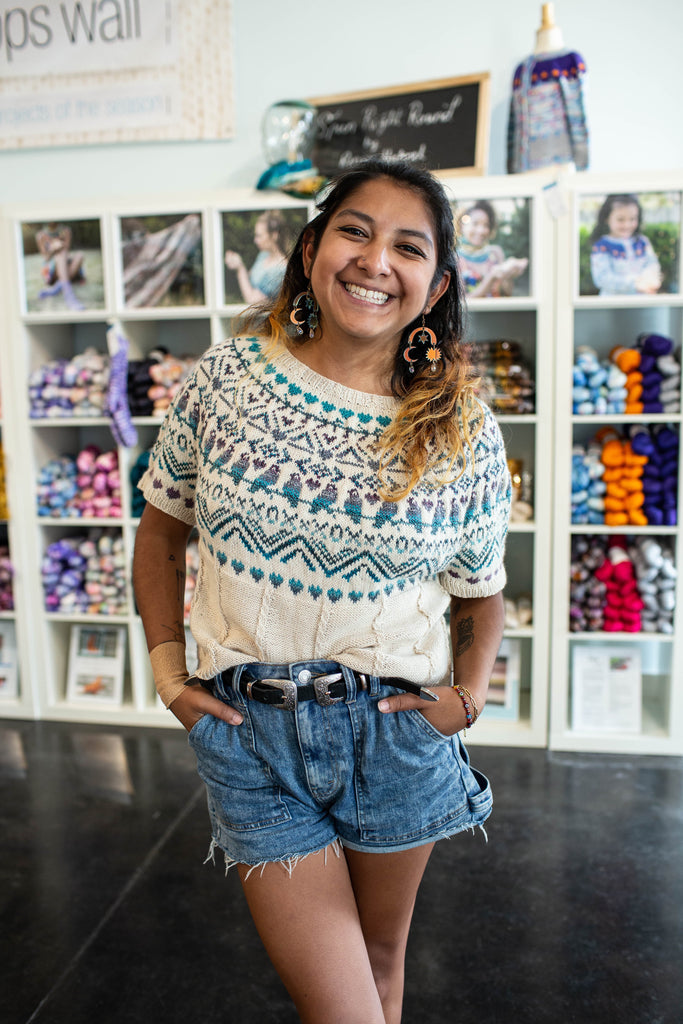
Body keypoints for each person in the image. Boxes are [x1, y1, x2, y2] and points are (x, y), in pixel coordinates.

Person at [133, 159, 511, 1024]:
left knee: (379, 964)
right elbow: (160, 531)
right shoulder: (226, 380)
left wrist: (469, 696)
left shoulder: (462, 429)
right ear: (310, 251)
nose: (375, 261)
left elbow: (480, 590)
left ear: (436, 286)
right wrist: (166, 672)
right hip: (249, 734)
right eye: (354, 231)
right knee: (340, 1004)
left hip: (394, 731)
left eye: (408, 247)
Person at [589, 194, 663, 296]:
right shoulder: (602, 246)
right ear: (607, 218)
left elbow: (652, 265)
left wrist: (651, 280)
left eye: (632, 219)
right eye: (620, 220)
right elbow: (602, 279)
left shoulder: (643, 242)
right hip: (613, 303)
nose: (627, 225)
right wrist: (635, 283)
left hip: (642, 301)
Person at [456, 200, 528, 298]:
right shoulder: (455, 258)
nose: (481, 231)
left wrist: (509, 275)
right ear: (462, 225)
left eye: (486, 225)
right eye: (475, 223)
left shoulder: (495, 253)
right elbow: (462, 301)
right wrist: (491, 277)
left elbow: (507, 294)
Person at [224, 210, 290, 303]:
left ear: (274, 235)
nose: (255, 240)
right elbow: (250, 281)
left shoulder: (280, 270)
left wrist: (240, 268)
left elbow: (253, 300)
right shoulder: (263, 255)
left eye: (259, 236)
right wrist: (236, 263)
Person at [35, 222, 85, 310]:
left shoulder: (66, 231)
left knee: (79, 255)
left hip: (65, 265)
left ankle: (57, 288)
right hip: (52, 269)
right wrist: (53, 249)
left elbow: (67, 252)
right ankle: (69, 295)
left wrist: (61, 245)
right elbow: (46, 258)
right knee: (59, 255)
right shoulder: (41, 235)